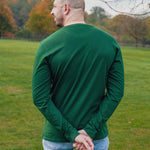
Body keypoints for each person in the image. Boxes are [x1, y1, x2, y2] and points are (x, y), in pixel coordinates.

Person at [32, 0, 124, 149]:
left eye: (55, 7)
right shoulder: (110, 43)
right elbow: (116, 93)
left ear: (66, 8)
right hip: (95, 140)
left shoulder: (47, 46)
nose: (52, 12)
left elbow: (40, 98)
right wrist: (89, 131)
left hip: (57, 140)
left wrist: (73, 134)